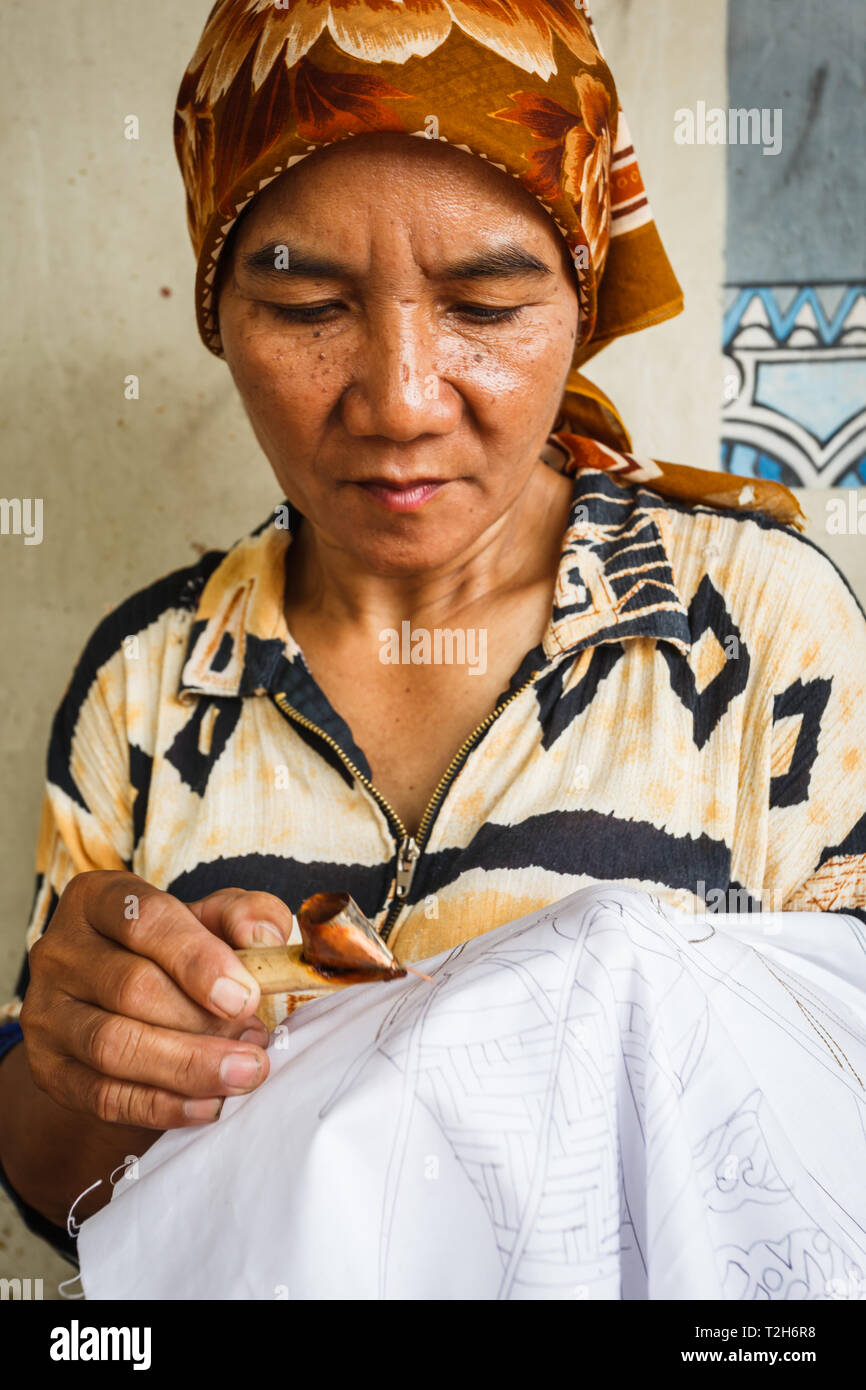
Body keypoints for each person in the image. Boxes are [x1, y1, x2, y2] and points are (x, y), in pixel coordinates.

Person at [1, 0, 864, 1272]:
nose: (400, 402)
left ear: (578, 297)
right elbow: (57, 1188)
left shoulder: (757, 631)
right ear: (216, 311)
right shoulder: (152, 678)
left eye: (486, 303)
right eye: (307, 310)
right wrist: (86, 1063)